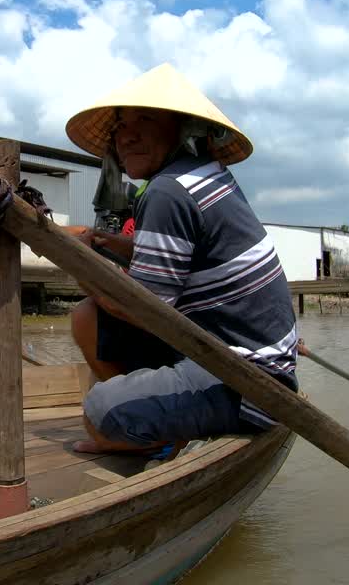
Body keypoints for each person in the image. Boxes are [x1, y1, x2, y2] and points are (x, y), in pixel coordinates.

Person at [64, 63, 300, 454]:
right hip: (246, 357)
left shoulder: (168, 191)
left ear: (183, 130)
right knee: (87, 317)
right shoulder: (203, 176)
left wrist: (79, 261)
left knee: (98, 414)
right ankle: (156, 418)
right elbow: (186, 254)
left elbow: (143, 309)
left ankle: (148, 433)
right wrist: (109, 244)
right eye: (121, 124)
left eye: (145, 119)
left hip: (247, 384)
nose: (127, 135)